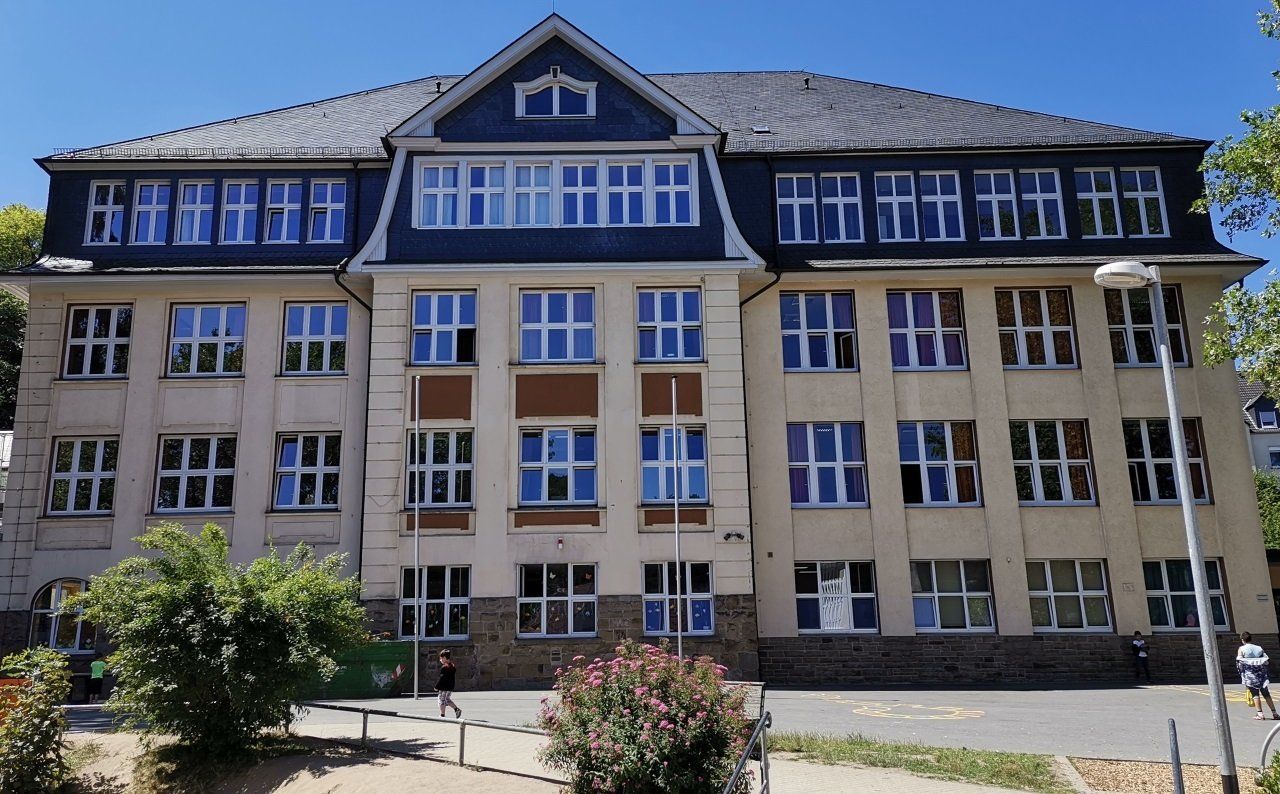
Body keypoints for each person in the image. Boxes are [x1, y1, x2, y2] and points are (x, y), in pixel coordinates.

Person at [1237, 632, 1280, 721]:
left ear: (1242, 640)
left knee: (1255, 694)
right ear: (1251, 639)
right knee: (1266, 694)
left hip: (1250, 675)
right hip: (1261, 674)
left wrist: (1242, 674)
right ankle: (1275, 713)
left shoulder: (1241, 649)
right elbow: (1266, 660)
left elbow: (1239, 663)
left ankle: (1260, 714)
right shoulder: (1259, 648)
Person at [435, 649, 462, 719]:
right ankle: (456, 709)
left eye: (441, 658)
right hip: (450, 687)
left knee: (441, 700)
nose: (440, 660)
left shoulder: (444, 667)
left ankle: (442, 715)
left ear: (444, 658)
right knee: (447, 699)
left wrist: (437, 687)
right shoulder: (452, 666)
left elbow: (442, 678)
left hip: (444, 687)